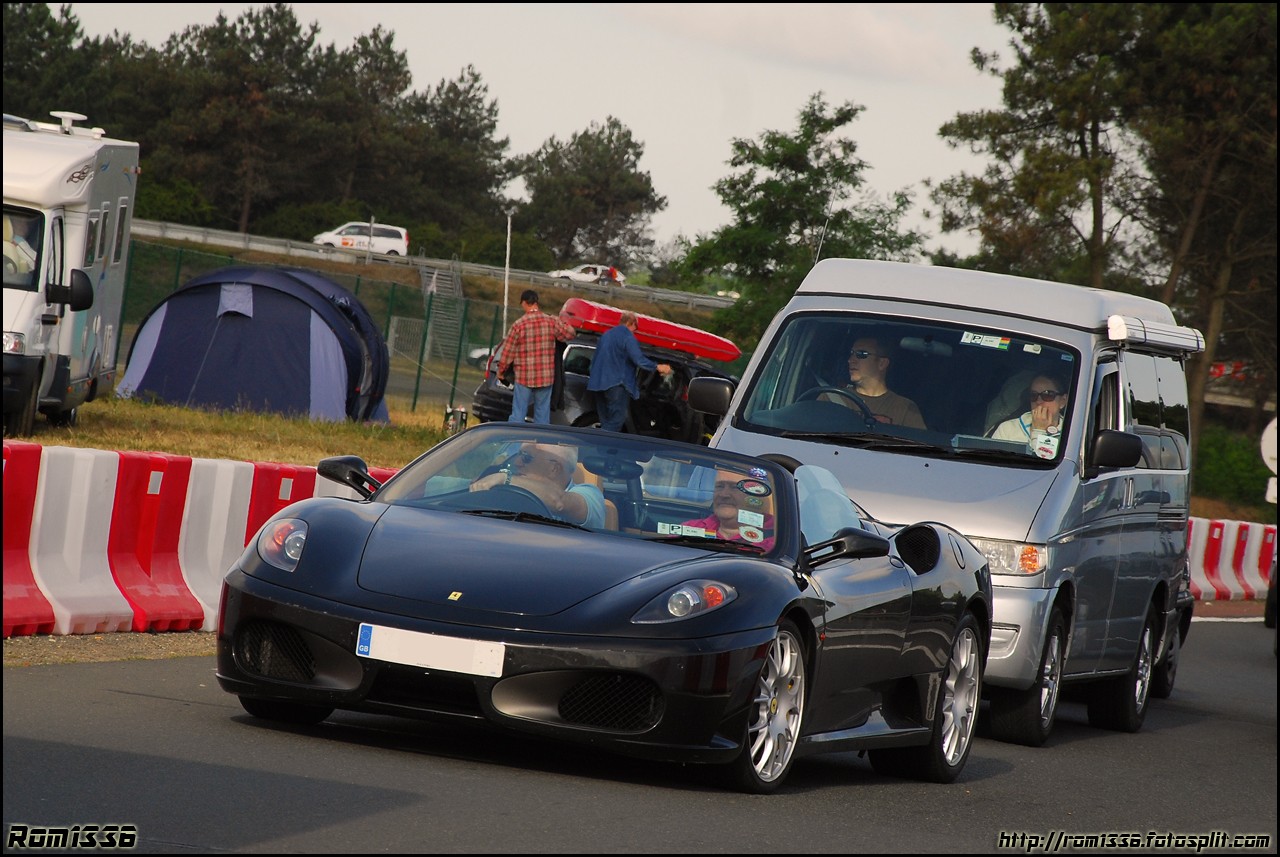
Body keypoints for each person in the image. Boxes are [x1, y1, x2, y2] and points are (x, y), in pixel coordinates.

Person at [468, 442, 606, 528]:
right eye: (519, 454)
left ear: (554, 469)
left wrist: (506, 479)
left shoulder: (590, 494)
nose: (517, 462)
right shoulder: (508, 487)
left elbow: (560, 502)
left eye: (526, 457)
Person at [497, 289, 576, 424]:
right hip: (546, 377)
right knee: (542, 416)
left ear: (524, 303)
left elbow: (508, 352)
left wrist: (501, 371)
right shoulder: (550, 321)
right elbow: (570, 334)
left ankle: (515, 442)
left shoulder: (519, 325)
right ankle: (540, 442)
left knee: (518, 414)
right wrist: (562, 321)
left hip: (524, 376)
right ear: (536, 303)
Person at [586, 311, 673, 432]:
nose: (634, 331)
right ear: (630, 323)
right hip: (616, 384)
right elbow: (639, 360)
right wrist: (658, 367)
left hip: (597, 384)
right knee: (616, 421)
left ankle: (598, 447)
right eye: (635, 328)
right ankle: (602, 448)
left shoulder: (606, 335)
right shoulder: (627, 336)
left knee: (605, 420)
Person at [821, 336, 926, 429]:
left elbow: (921, 448)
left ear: (882, 363)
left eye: (861, 354)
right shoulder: (830, 398)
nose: (851, 360)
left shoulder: (905, 409)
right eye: (852, 353)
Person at [678, 469, 775, 551]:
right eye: (719, 486)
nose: (724, 494)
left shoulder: (778, 539)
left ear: (755, 495)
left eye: (734, 487)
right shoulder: (691, 528)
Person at [992, 373, 1069, 459]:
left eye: (1047, 395)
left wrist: (1039, 432)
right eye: (1034, 395)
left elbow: (1047, 469)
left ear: (1063, 401)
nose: (1039, 401)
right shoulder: (1007, 429)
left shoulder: (1070, 434)